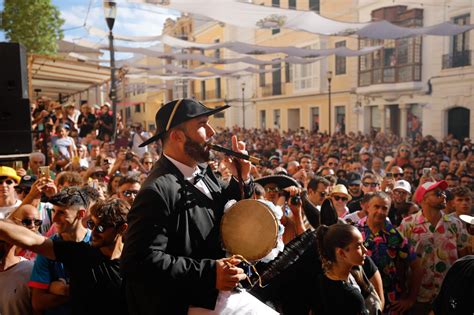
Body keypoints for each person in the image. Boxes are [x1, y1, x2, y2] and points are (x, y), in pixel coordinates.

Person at [121, 99, 253, 314]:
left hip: (219, 295)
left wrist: (241, 179)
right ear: (177, 135)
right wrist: (210, 273)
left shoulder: (203, 169)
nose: (211, 132)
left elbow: (225, 211)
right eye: (202, 124)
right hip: (186, 303)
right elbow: (137, 261)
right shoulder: (156, 190)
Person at [0, 198, 129, 315]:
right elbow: (33, 240)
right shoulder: (80, 255)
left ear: (122, 228)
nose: (94, 232)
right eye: (91, 224)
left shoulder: (134, 263)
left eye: (101, 228)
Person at [399, 180, 470, 314]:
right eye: (437, 193)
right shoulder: (408, 224)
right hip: (418, 296)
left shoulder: (455, 224)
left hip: (448, 294)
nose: (443, 196)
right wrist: (406, 295)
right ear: (423, 199)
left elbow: (464, 257)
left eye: (443, 193)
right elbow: (401, 261)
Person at [27, 187, 92, 314]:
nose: (55, 219)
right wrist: (75, 292)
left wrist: (64, 290)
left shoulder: (96, 244)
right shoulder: (47, 247)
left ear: (81, 214)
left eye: (62, 213)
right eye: (53, 211)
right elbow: (38, 303)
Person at [356, 192, 422, 313]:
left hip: (390, 301)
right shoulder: (354, 232)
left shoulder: (395, 235)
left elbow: (417, 267)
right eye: (376, 206)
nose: (380, 211)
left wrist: (410, 299)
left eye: (384, 208)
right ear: (367, 207)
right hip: (360, 297)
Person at [316, 223, 371, 315]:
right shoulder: (351, 296)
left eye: (363, 244)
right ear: (341, 253)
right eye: (358, 246)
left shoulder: (321, 278)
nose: (365, 250)